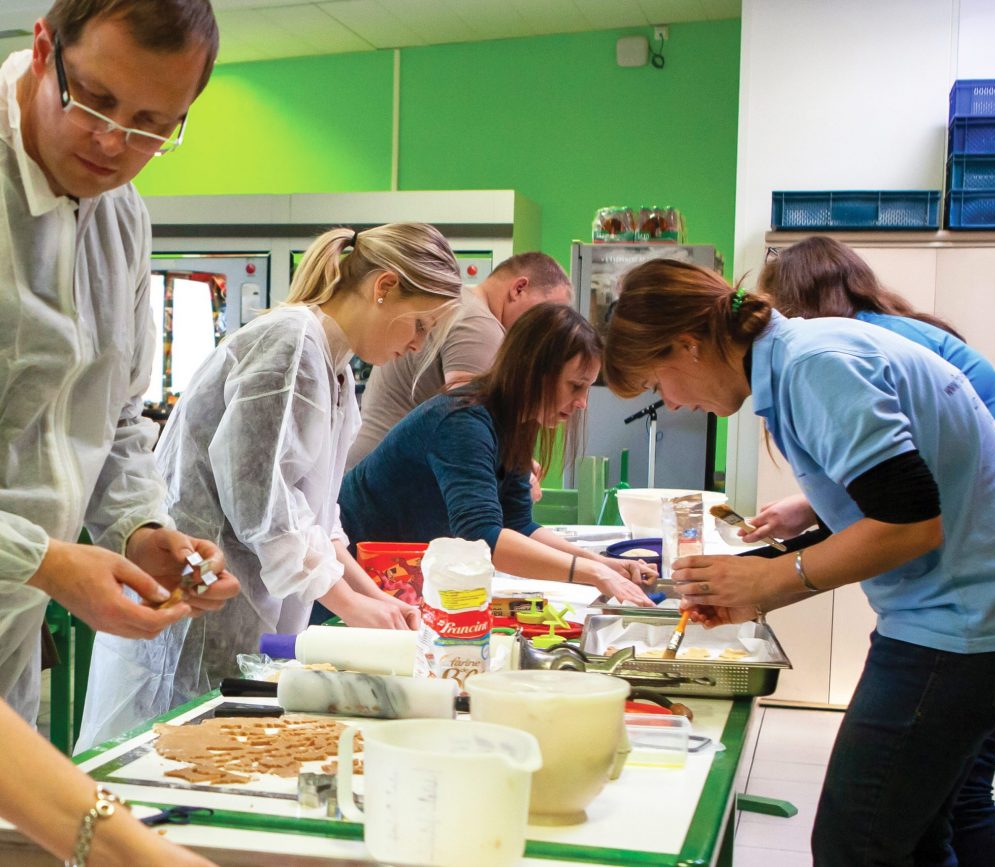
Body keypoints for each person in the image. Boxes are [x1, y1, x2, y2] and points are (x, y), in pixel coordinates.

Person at [603, 259, 995, 865]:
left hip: (967, 630)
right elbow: (894, 496)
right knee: (921, 837)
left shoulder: (812, 367)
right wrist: (778, 559)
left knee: (857, 844)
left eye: (659, 384)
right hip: (975, 619)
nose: (674, 403)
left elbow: (914, 524)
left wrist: (769, 579)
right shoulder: (801, 356)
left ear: (688, 345)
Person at [0, 1, 237, 863]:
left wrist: (137, 529)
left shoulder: (122, 217)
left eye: (151, 126)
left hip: (11, 646)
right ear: (40, 50)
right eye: (93, 101)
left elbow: (115, 414)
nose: (111, 144)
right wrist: (45, 557)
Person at [78, 222, 462, 750]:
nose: (417, 345)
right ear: (384, 287)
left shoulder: (336, 368)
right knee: (164, 754)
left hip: (240, 610)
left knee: (216, 750)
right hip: (198, 608)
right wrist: (354, 608)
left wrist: (378, 601)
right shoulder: (289, 344)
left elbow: (316, 517)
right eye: (419, 325)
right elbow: (262, 509)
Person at [760, 236, 995, 864]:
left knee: (949, 800)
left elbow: (909, 503)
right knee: (939, 804)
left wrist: (777, 578)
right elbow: (912, 473)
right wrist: (813, 507)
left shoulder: (829, 353)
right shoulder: (890, 332)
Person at [340, 302, 657, 607]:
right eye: (575, 386)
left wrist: (602, 564)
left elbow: (519, 525)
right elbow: (483, 537)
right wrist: (591, 573)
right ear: (533, 371)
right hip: (348, 572)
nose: (582, 403)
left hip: (391, 578)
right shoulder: (463, 422)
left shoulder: (514, 421)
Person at [346, 251, 572, 469]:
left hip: (373, 473)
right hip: (387, 485)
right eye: (545, 314)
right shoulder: (479, 324)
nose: (546, 330)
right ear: (518, 288)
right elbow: (467, 430)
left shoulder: (463, 304)